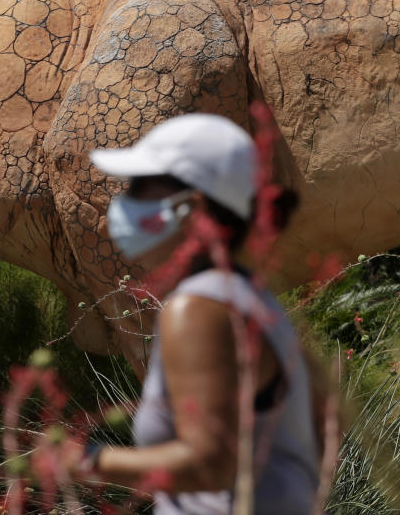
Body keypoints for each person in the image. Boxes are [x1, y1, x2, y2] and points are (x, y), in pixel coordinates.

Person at [79, 113, 324, 515]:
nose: (123, 202)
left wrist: (89, 460)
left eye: (140, 188)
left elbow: (210, 464)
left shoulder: (198, 309)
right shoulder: (249, 297)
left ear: (190, 209)